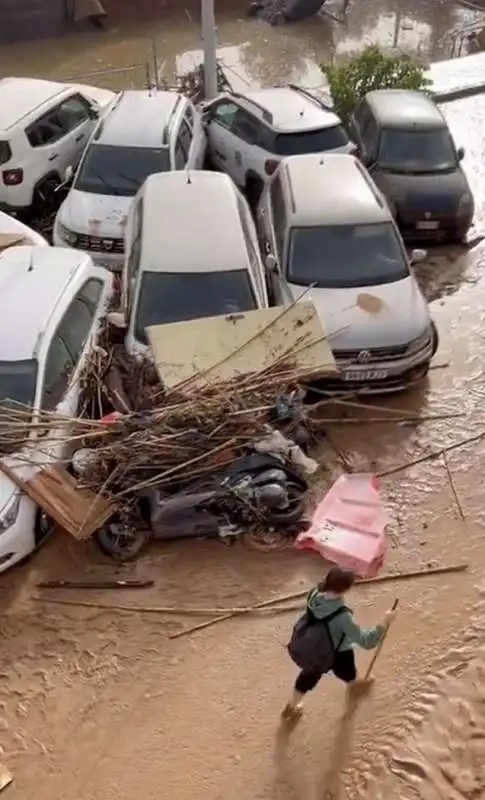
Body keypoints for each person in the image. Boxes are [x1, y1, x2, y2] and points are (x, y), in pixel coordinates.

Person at [282, 567, 397, 720]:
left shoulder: (313, 593)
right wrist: (384, 622)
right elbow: (367, 641)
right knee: (347, 671)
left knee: (307, 677)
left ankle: (292, 707)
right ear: (346, 589)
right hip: (336, 652)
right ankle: (354, 684)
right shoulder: (342, 616)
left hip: (311, 647)